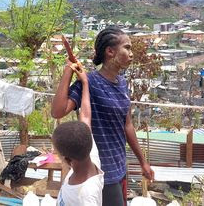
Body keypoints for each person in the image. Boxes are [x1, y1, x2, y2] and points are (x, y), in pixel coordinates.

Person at [51, 27, 154, 206]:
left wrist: (142, 162)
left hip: (120, 167)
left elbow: (127, 125)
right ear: (110, 51)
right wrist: (68, 70)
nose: (131, 53)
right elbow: (58, 111)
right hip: (99, 173)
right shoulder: (89, 82)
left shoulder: (123, 84)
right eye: (127, 48)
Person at [53, 62, 104, 206]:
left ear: (68, 160)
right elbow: (86, 116)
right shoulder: (90, 156)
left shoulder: (86, 196)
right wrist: (85, 84)